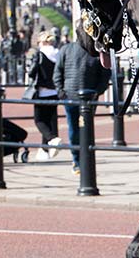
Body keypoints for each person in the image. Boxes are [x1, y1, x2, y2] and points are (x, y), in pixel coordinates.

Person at [54, 38, 110, 173]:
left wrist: (97, 91)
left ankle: (85, 160)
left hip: (88, 97)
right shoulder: (66, 49)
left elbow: (105, 74)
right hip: (71, 97)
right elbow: (58, 72)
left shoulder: (96, 51)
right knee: (74, 131)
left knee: (86, 131)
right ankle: (77, 160)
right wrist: (61, 91)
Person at [27, 32, 60, 159]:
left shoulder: (39, 54)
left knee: (39, 120)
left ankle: (52, 139)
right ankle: (45, 150)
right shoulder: (58, 53)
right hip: (54, 91)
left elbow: (31, 72)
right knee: (49, 120)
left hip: (42, 91)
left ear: (42, 42)